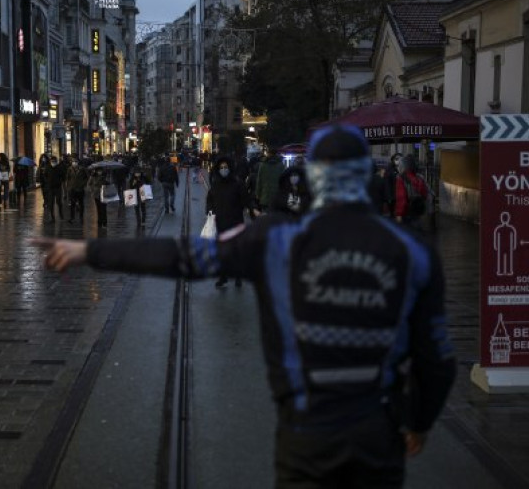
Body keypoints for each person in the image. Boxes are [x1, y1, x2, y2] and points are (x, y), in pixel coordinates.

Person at [32, 123, 455, 487]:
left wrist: (90, 251)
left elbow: (183, 256)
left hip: (307, 432)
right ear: (366, 175)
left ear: (314, 178)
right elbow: (437, 357)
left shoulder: (277, 240)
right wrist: (419, 420)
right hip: (377, 430)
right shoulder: (413, 251)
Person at [206, 156, 252, 288]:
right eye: (221, 168)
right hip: (220, 222)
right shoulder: (216, 184)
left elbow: (245, 199)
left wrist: (253, 209)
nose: (223, 170)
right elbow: (210, 199)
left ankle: (238, 276)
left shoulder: (237, 183)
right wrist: (209, 210)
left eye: (225, 167)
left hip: (235, 222)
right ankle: (223, 276)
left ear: (230, 168)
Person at [394, 155, 429, 229]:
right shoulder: (419, 177)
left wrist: (399, 214)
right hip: (417, 212)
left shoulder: (401, 179)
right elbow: (425, 194)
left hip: (406, 213)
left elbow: (402, 199)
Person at [255, 147, 285, 212]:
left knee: (266, 218)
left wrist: (258, 195)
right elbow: (284, 182)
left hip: (265, 197)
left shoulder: (263, 165)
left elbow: (259, 181)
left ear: (268, 153)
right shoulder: (281, 165)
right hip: (277, 197)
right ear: (276, 154)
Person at [66, 158, 88, 223]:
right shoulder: (69, 169)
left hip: (80, 189)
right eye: (73, 162)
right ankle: (72, 217)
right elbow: (67, 178)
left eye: (75, 162)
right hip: (72, 189)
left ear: (78, 162)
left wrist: (83, 184)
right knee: (72, 204)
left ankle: (81, 217)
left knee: (81, 204)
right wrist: (69, 186)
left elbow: (87, 177)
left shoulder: (82, 169)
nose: (74, 163)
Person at [384, 153, 403, 217]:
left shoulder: (398, 169)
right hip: (392, 197)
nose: (399, 161)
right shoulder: (389, 169)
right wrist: (389, 197)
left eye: (400, 159)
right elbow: (387, 184)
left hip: (398, 196)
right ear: (393, 160)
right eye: (397, 159)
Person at [37, 154, 52, 218]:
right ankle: (45, 201)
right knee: (43, 192)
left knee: (47, 191)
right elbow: (38, 172)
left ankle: (47, 202)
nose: (43, 159)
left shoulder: (49, 165)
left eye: (44, 158)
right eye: (42, 158)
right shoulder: (40, 165)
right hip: (42, 181)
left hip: (47, 181)